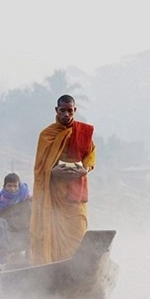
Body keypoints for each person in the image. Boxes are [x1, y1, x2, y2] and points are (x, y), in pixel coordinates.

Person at [30, 94, 96, 265]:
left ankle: (78, 270)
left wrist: (85, 169)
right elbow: (39, 167)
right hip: (54, 195)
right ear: (56, 111)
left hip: (75, 193)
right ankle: (54, 271)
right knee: (53, 233)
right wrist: (52, 171)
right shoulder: (47, 135)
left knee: (78, 231)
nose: (66, 114)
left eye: (69, 110)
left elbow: (90, 154)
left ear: (75, 110)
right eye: (62, 111)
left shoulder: (83, 132)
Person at [0, 173, 32, 264]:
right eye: (9, 186)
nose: (12, 189)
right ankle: (10, 253)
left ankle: (27, 253)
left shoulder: (27, 199)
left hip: (25, 234)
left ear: (19, 186)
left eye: (15, 186)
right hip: (9, 238)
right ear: (4, 186)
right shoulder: (1, 201)